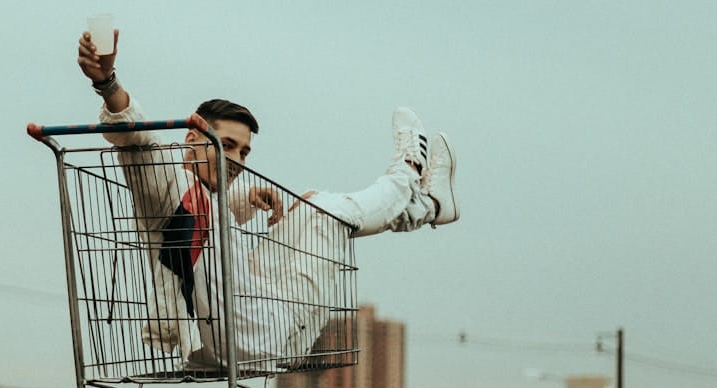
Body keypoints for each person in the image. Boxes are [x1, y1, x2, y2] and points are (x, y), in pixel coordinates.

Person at [75, 29, 458, 370]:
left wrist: (244, 197)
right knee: (325, 212)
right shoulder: (163, 184)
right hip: (261, 338)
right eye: (226, 146)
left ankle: (427, 207)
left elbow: (212, 213)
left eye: (244, 153)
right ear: (192, 139)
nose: (237, 161)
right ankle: (408, 170)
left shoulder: (202, 198)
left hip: (244, 322)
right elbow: (137, 139)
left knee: (308, 201)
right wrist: (107, 83)